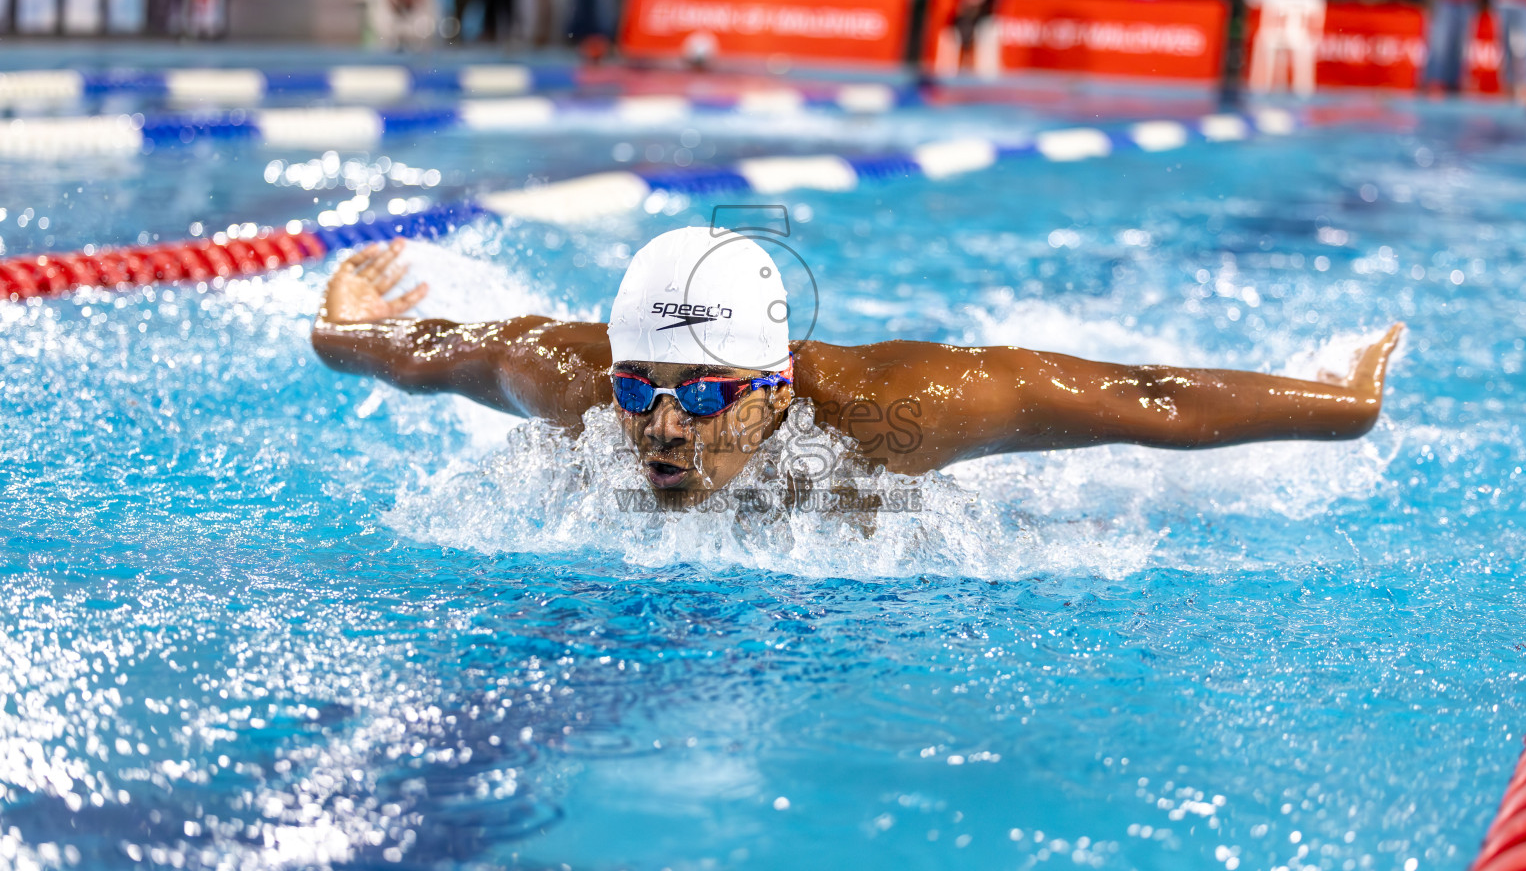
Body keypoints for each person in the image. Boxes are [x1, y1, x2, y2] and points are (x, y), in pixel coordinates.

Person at [312, 230, 1403, 502]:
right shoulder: (572, 381)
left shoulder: (899, 410)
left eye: (700, 396)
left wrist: (1343, 402)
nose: (660, 429)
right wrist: (343, 324)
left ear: (776, 384)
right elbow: (433, 355)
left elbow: (1143, 395)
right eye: (641, 390)